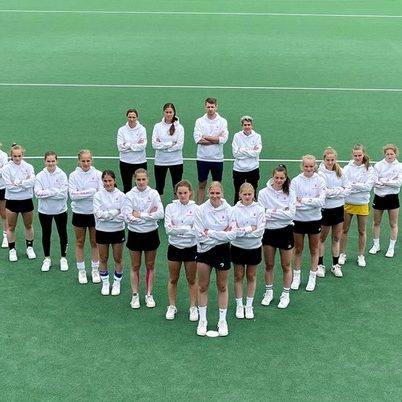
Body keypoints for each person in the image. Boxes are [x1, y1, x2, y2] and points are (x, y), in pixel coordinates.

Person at [194, 181, 235, 337]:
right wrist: (222, 234)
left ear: (222, 193)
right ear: (208, 193)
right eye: (212, 193)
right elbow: (199, 235)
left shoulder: (230, 210)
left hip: (222, 251)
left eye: (218, 193)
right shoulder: (200, 210)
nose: (215, 196)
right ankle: (202, 320)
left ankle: (222, 321)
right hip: (204, 251)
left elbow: (232, 235)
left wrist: (210, 233)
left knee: (222, 286)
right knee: (203, 286)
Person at [123, 168, 164, 309]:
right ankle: (135, 295)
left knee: (150, 265)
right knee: (135, 266)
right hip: (135, 234)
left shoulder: (154, 194)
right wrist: (149, 216)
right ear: (135, 180)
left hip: (151, 234)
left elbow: (161, 214)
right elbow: (127, 217)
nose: (141, 182)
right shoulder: (129, 195)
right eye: (138, 179)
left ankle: (148, 294)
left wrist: (141, 215)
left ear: (148, 179)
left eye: (143, 179)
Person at [258, 165, 296, 309]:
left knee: (286, 265)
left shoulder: (291, 193)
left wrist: (271, 212)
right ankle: (269, 292)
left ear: (285, 178)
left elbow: (291, 215)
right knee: (269, 264)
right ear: (272, 177)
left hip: (285, 231)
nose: (279, 180)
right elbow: (262, 214)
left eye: (282, 178)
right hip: (269, 232)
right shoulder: (263, 193)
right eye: (276, 178)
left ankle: (285, 294)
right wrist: (281, 212)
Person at [290, 155, 326, 292]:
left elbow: (321, 202)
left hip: (314, 219)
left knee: (314, 249)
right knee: (298, 249)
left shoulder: (320, 180)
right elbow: (293, 202)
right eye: (306, 166)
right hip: (298, 220)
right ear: (302, 166)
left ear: (315, 166)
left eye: (311, 166)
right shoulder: (295, 181)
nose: (309, 169)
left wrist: (303, 201)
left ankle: (312, 277)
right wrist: (312, 201)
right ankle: (296, 277)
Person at [164, 180, 198, 321]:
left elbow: (196, 231)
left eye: (185, 193)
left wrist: (177, 229)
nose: (182, 195)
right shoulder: (170, 207)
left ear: (190, 193)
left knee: (191, 279)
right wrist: (187, 229)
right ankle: (172, 306)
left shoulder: (197, 209)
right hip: (174, 248)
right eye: (180, 193)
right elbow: (168, 229)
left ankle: (193, 307)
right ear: (176, 193)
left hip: (191, 248)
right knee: (173, 279)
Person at [69, 150, 102, 284]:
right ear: (79, 161)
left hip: (94, 213)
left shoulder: (98, 174)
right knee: (79, 242)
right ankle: (81, 270)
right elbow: (73, 196)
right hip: (79, 213)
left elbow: (100, 195)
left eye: (88, 160)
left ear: (91, 160)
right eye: (83, 161)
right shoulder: (73, 176)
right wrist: (91, 191)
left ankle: (95, 269)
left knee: (94, 242)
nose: (86, 163)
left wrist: (81, 193)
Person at [231, 183, 265, 319]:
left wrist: (243, 232)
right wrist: (250, 229)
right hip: (237, 247)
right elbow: (233, 232)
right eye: (244, 194)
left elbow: (259, 232)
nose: (247, 197)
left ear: (253, 194)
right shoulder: (233, 210)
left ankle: (249, 305)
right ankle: (239, 305)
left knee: (251, 275)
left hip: (254, 247)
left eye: (249, 194)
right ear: (239, 194)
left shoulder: (259, 210)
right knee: (238, 276)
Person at [317, 147, 351, 278]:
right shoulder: (320, 173)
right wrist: (340, 190)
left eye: (332, 160)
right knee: (322, 238)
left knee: (336, 238)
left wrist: (335, 191)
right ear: (324, 160)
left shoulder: (340, 171)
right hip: (325, 210)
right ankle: (320, 265)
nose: (330, 162)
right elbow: (324, 192)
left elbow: (348, 189)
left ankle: (335, 265)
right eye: (328, 160)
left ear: (335, 159)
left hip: (338, 209)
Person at [339, 144, 374, 267]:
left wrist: (353, 185)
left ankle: (361, 255)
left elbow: (368, 187)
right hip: (348, 202)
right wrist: (359, 186)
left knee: (362, 231)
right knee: (344, 229)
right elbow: (344, 184)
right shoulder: (347, 168)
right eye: (355, 155)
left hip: (362, 203)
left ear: (363, 154)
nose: (358, 157)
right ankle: (342, 254)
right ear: (352, 155)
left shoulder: (369, 169)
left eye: (360, 155)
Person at [34, 151, 69, 272]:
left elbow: (63, 195)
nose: (51, 163)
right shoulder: (40, 176)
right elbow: (37, 194)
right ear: (44, 161)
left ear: (57, 161)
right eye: (48, 161)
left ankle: (63, 258)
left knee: (62, 233)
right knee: (46, 234)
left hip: (60, 210)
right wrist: (54, 191)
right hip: (44, 211)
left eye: (53, 161)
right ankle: (47, 258)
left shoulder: (62, 175)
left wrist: (47, 193)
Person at [93, 170, 126, 296]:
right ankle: (105, 283)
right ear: (102, 181)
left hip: (117, 231)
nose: (108, 183)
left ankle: (117, 283)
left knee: (118, 258)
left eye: (110, 180)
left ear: (114, 180)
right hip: (102, 231)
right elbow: (98, 215)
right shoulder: (98, 195)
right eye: (105, 181)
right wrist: (115, 212)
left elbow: (123, 216)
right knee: (103, 258)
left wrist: (107, 216)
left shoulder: (122, 196)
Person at [2, 144, 36, 262]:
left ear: (22, 155)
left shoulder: (29, 167)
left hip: (26, 200)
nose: (17, 158)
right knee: (11, 227)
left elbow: (32, 182)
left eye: (19, 156)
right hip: (12, 201)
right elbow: (9, 187)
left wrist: (18, 183)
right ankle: (12, 250)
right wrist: (24, 184)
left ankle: (30, 247)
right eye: (15, 156)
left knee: (28, 225)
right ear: (11, 156)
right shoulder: (6, 169)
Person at [193, 97, 228, 204]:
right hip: (202, 158)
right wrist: (216, 139)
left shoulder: (222, 121)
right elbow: (198, 139)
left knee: (217, 186)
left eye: (212, 107)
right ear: (205, 107)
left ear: (216, 107)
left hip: (217, 159)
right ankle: (199, 208)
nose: (210, 109)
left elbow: (223, 139)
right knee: (202, 185)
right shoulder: (199, 121)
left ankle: (217, 206)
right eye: (208, 107)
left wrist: (206, 136)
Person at [369, 144, 402, 258]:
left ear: (395, 154)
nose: (389, 156)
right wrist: (390, 181)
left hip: (392, 198)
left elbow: (398, 183)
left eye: (391, 154)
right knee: (376, 222)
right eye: (387, 154)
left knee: (393, 224)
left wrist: (383, 181)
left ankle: (391, 248)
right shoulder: (378, 165)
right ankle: (376, 245)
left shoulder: (400, 166)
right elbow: (374, 182)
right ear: (385, 154)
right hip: (379, 197)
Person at [152, 103, 184, 199]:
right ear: (164, 112)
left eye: (170, 112)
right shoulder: (157, 126)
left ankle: (177, 207)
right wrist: (170, 144)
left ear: (174, 113)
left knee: (177, 188)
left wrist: (162, 146)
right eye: (167, 112)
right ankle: (158, 207)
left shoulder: (180, 127)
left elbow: (179, 145)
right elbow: (154, 145)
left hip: (176, 161)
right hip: (160, 162)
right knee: (159, 187)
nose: (169, 114)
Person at [232, 116, 262, 204]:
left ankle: (253, 210)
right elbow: (235, 154)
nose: (247, 127)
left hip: (253, 169)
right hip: (238, 169)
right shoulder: (237, 136)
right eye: (245, 125)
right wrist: (251, 151)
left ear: (252, 125)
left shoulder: (257, 136)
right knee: (238, 192)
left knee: (253, 192)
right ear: (242, 126)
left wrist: (242, 150)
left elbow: (256, 153)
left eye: (249, 125)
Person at [117, 108, 147, 193]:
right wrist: (136, 144)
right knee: (127, 187)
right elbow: (120, 147)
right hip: (125, 162)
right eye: (130, 117)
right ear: (127, 117)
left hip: (140, 162)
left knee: (140, 187)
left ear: (137, 117)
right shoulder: (121, 130)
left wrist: (127, 145)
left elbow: (142, 146)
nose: (131, 119)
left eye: (133, 117)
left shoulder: (142, 129)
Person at [0, 144, 9, 248]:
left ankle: (5, 236)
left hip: (1, 187)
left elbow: (3, 172)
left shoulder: (3, 155)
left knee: (3, 213)